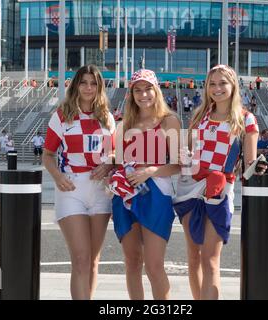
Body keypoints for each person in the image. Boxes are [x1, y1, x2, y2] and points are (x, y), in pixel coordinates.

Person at [173, 64, 264, 300]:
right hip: (189, 189)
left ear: (233, 85)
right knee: (193, 258)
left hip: (219, 191)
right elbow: (188, 153)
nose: (217, 88)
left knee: (210, 260)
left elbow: (251, 164)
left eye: (222, 83)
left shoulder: (246, 119)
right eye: (212, 84)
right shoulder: (199, 115)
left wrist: (259, 168)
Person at [43, 65, 116, 299]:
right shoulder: (62, 115)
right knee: (81, 259)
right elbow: (47, 154)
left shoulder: (107, 117)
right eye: (83, 82)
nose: (88, 88)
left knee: (93, 261)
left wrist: (109, 164)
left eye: (93, 83)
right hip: (71, 189)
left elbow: (114, 154)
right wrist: (57, 176)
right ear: (76, 85)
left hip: (101, 191)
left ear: (99, 87)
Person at [109, 69, 181, 300]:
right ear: (131, 94)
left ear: (156, 90)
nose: (143, 95)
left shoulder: (169, 120)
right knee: (132, 262)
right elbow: (119, 162)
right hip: (125, 197)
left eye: (148, 88)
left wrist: (151, 170)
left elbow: (180, 164)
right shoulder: (124, 123)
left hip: (157, 195)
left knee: (154, 265)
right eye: (137, 90)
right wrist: (109, 170)